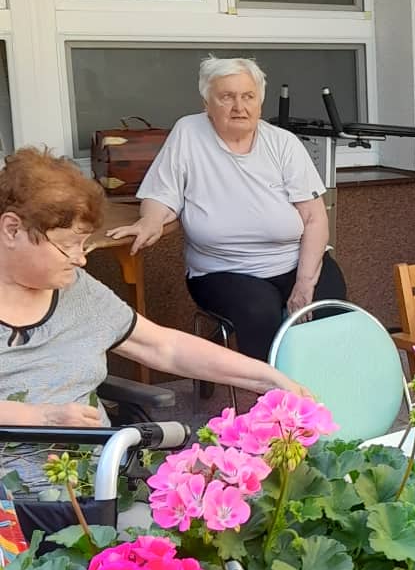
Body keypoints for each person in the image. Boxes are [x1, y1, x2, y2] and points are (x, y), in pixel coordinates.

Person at [0, 148, 303, 494]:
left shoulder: (76, 290)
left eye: (84, 244)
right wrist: (44, 418)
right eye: (69, 245)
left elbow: (165, 347)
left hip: (101, 483)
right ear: (12, 229)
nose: (81, 259)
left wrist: (267, 378)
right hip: (12, 502)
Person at [110, 56, 347, 360]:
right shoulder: (188, 133)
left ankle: (320, 383)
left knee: (327, 309)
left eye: (248, 96)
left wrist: (304, 283)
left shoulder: (283, 143)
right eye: (227, 97)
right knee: (258, 311)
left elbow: (314, 218)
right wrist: (150, 221)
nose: (239, 106)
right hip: (223, 270)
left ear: (260, 102)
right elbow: (163, 195)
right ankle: (270, 388)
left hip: (294, 262)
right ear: (206, 104)